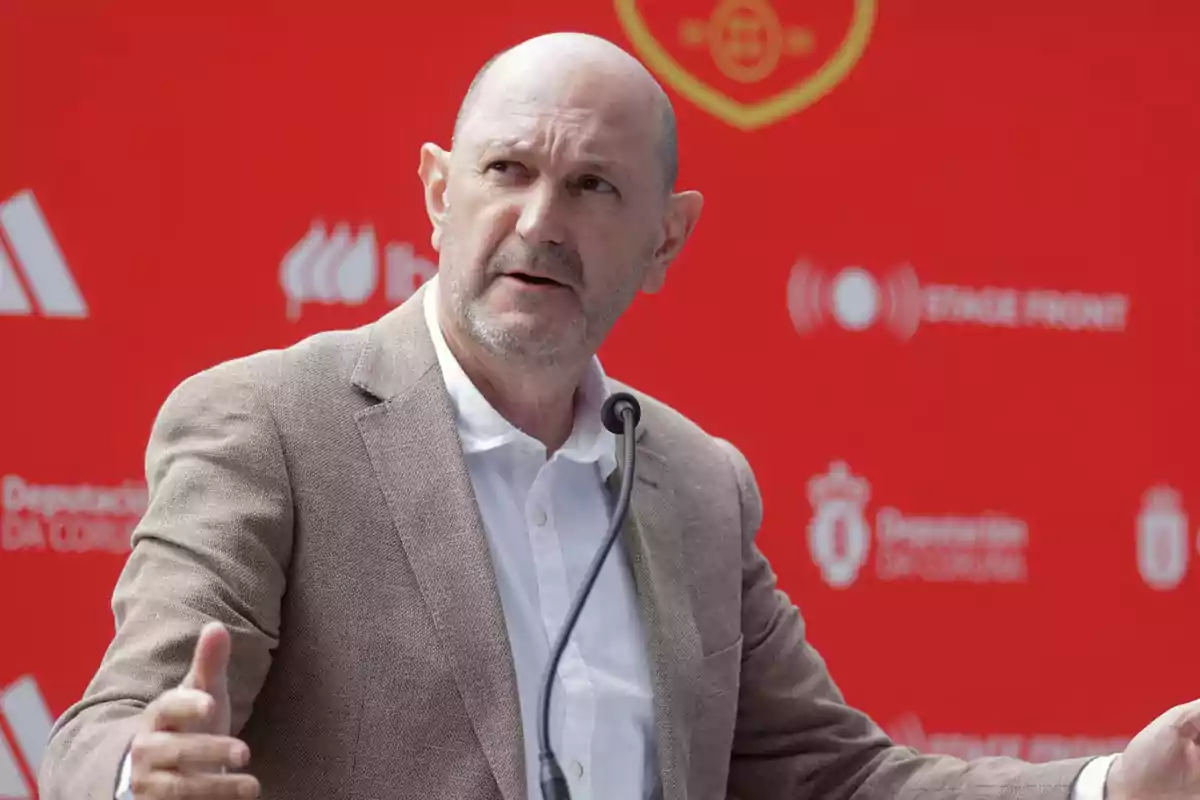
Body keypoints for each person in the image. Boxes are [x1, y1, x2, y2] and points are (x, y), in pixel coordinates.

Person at [38, 31, 1199, 800]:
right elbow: (105, 727)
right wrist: (142, 774)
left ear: (666, 238)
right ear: (439, 193)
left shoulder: (695, 481)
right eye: (506, 172)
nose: (542, 220)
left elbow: (834, 775)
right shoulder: (270, 425)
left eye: (594, 187)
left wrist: (1109, 785)